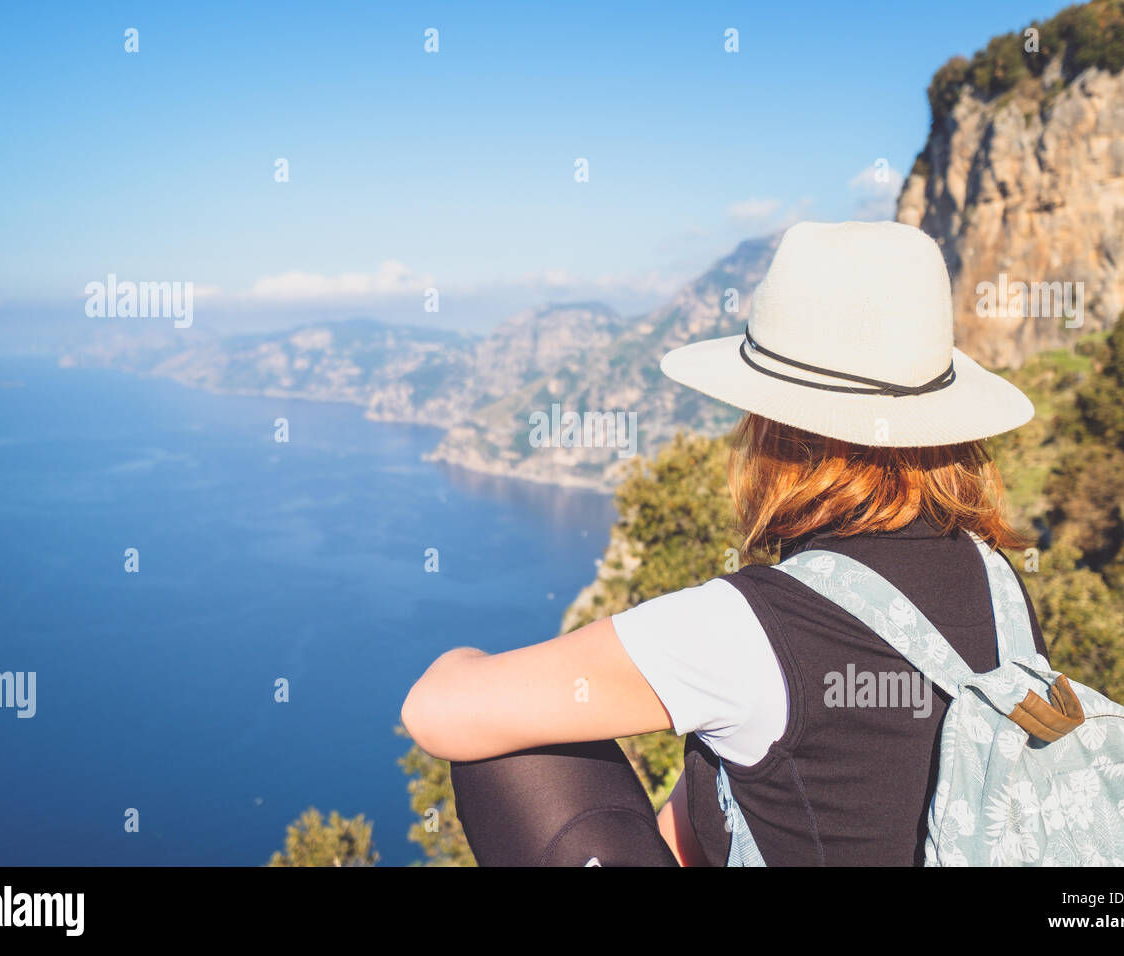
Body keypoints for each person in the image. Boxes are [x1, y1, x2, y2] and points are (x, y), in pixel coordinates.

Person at [401, 220, 1041, 866]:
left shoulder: (759, 626)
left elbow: (436, 711)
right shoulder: (1001, 588)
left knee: (516, 753)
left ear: (774, 426)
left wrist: (462, 654)